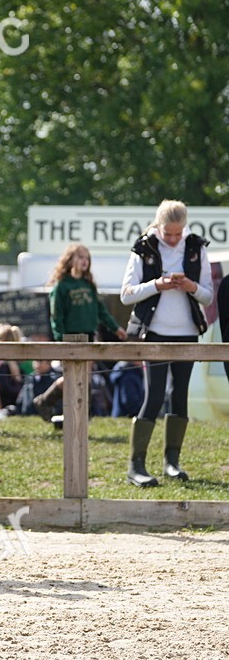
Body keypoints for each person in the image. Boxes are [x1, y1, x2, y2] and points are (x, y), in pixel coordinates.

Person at [120, 199, 212, 487]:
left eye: (177, 233)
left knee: (180, 393)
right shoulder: (144, 248)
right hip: (155, 332)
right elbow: (126, 294)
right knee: (155, 394)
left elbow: (208, 295)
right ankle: (136, 465)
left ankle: (172, 461)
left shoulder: (197, 248)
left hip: (187, 331)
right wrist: (157, 285)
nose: (172, 239)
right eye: (167, 233)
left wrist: (191, 287)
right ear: (157, 226)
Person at [48, 244, 127, 342]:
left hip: (89, 335)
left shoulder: (89, 285)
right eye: (81, 257)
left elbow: (101, 311)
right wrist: (60, 338)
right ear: (70, 260)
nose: (85, 261)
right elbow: (56, 315)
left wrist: (116, 328)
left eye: (87, 258)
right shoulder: (62, 286)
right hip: (69, 337)